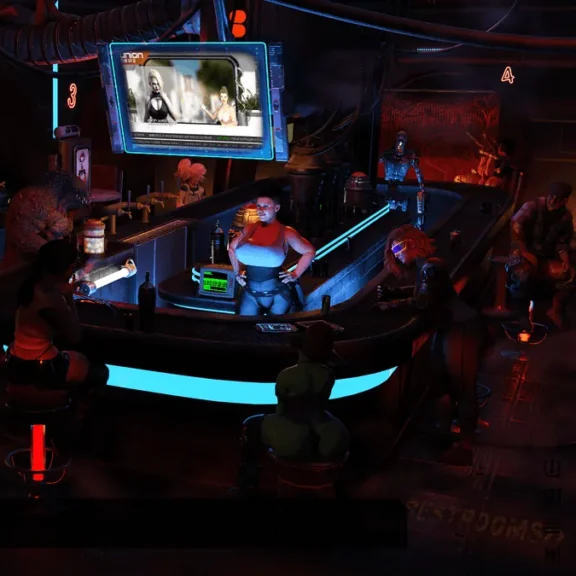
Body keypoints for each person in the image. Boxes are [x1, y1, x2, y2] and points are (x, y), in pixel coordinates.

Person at [375, 225, 484, 465]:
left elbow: (423, 302)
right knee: (440, 385)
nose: (396, 255)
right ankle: (445, 435)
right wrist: (395, 294)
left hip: (460, 327)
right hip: (449, 326)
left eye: (397, 249)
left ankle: (465, 446)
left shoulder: (430, 267)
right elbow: (424, 294)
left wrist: (391, 304)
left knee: (463, 387)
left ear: (411, 244)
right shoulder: (426, 267)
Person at [235, 322, 349, 492]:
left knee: (250, 425)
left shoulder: (286, 375)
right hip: (327, 435)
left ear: (302, 347)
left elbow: (281, 411)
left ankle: (248, 483)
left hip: (294, 440)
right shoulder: (328, 375)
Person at [6, 240, 108, 396]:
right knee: (99, 371)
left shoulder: (30, 285)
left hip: (16, 359)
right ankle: (77, 407)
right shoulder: (51, 298)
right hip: (42, 368)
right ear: (65, 269)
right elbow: (74, 336)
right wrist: (69, 298)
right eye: (72, 267)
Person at [227, 194, 315, 315]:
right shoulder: (249, 228)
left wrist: (295, 274)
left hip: (278, 295)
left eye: (265, 206)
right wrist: (237, 272)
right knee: (244, 326)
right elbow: (231, 248)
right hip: (250, 293)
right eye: (258, 206)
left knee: (274, 326)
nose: (260, 210)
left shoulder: (286, 231)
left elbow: (309, 251)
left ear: (276, 208)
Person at [510, 182, 573, 329]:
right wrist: (525, 252)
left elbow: (562, 243)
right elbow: (515, 228)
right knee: (523, 273)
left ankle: (555, 309)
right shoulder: (532, 206)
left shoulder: (565, 217)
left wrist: (565, 259)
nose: (553, 201)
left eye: (558, 199)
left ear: (565, 200)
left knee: (570, 275)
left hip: (545, 257)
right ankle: (522, 314)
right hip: (522, 252)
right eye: (551, 196)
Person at [1, 170, 88, 269]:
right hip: (24, 253)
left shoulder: (41, 193)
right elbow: (62, 227)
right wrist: (70, 219)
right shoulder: (45, 199)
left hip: (19, 248)